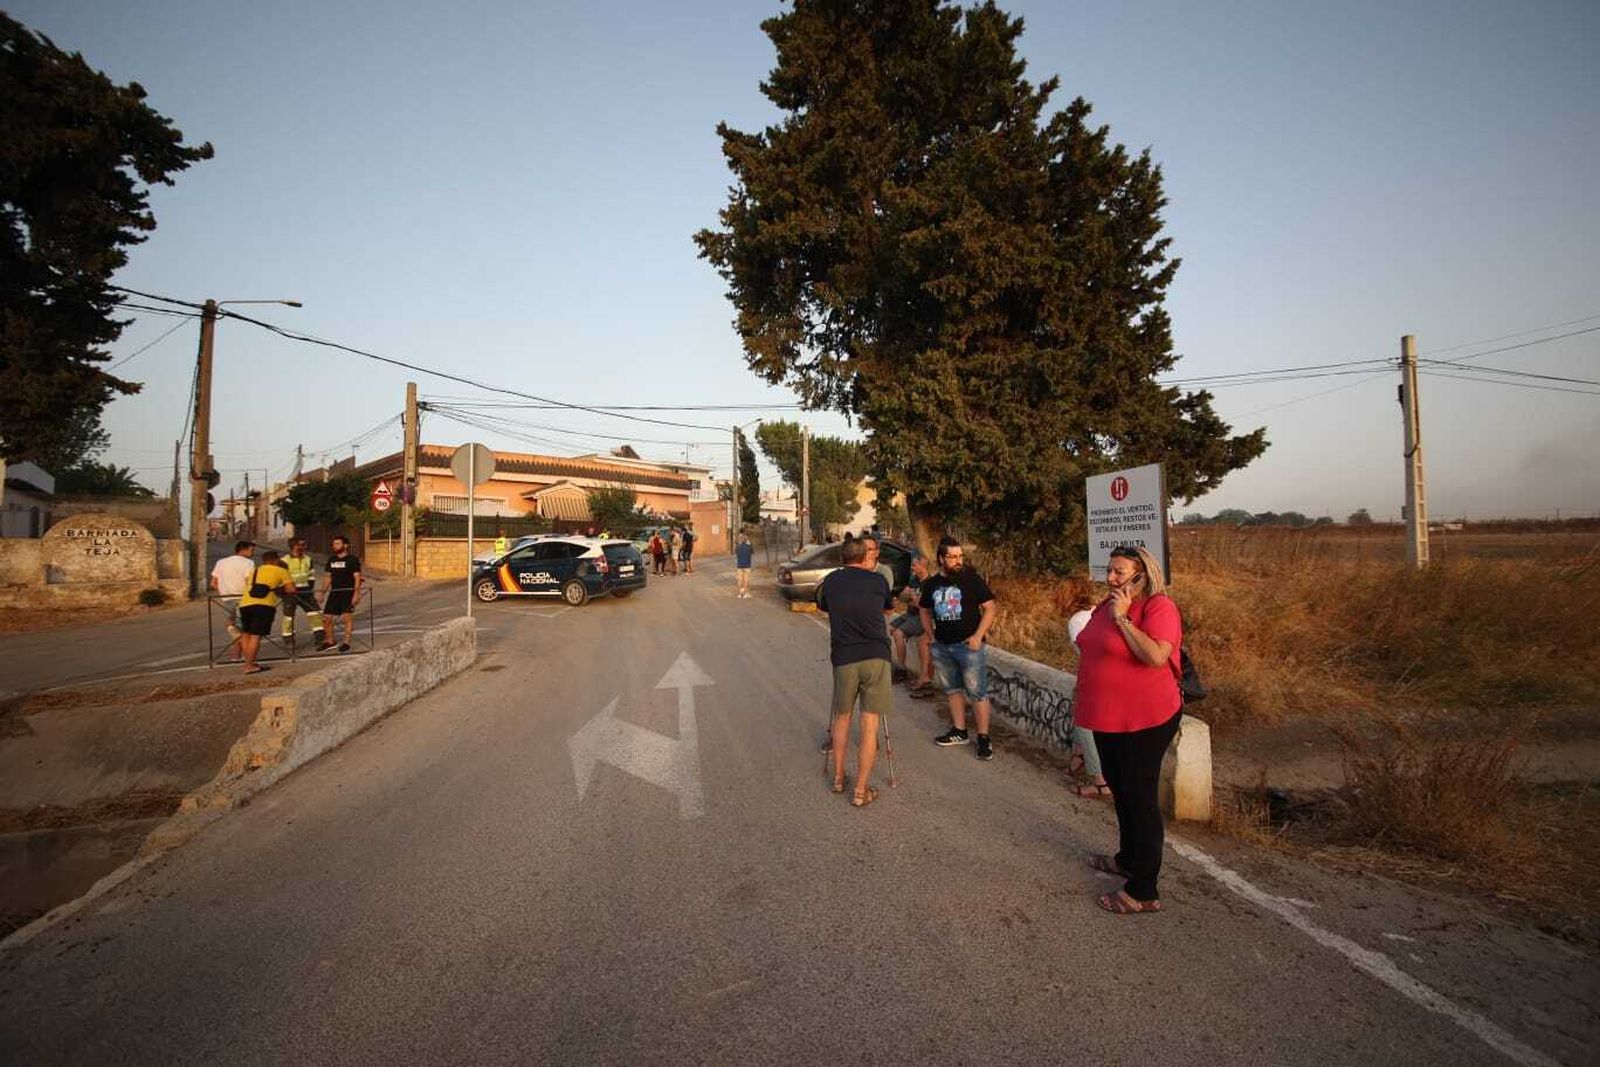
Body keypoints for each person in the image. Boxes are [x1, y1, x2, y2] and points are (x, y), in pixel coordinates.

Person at [1074, 545, 1184, 915]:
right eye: (1110, 570)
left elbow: (1155, 656)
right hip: (1109, 717)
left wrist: (1124, 619)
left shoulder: (1157, 607)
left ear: (1142, 575)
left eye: (1120, 572)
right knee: (1120, 791)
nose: (1111, 578)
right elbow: (1088, 644)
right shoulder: (1107, 604)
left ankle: (1143, 889)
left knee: (1140, 799)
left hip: (1146, 718)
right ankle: (1127, 859)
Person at [816, 537, 895, 807]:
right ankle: (861, 791)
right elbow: (888, 609)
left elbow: (822, 605)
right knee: (870, 723)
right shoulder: (879, 581)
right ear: (864, 557)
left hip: (844, 656)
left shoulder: (831, 581)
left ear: (843, 557)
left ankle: (838, 778)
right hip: (876, 655)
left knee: (842, 719)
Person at [920, 537, 998, 761]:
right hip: (942, 646)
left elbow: (990, 608)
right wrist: (931, 635)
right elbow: (924, 610)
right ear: (941, 558)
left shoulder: (971, 579)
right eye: (953, 557)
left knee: (977, 693)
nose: (958, 561)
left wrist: (978, 636)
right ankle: (959, 731)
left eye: (960, 556)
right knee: (953, 690)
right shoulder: (932, 584)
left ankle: (983, 738)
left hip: (968, 646)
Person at [1061, 577, 1111, 798]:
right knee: (1078, 712)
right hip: (1111, 676)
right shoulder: (1095, 611)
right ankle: (1078, 756)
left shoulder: (1075, 621)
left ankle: (1100, 781)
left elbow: (1087, 652)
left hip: (1095, 678)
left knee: (1084, 722)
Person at [235, 549, 296, 675]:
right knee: (256, 635)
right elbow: (291, 589)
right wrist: (279, 589)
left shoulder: (255, 571)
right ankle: (249, 666)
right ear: (276, 560)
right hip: (264, 605)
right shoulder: (281, 570)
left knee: (246, 634)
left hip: (245, 604)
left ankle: (249, 662)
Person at [890, 555, 934, 694]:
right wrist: (911, 598)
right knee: (889, 629)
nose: (912, 568)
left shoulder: (929, 583)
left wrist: (912, 599)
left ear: (923, 567)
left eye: (915, 565)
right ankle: (894, 665)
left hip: (920, 617)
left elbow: (922, 606)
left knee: (898, 634)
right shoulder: (914, 580)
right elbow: (902, 597)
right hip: (909, 614)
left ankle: (902, 669)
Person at [208, 540, 256, 659]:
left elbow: (213, 583)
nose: (253, 552)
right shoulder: (249, 563)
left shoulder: (221, 562)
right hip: (243, 597)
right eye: (252, 550)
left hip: (225, 598)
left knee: (232, 625)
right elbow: (249, 581)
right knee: (245, 627)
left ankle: (236, 655)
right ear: (244, 550)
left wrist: (225, 590)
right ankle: (247, 656)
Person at [317, 535, 363, 653]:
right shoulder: (331, 560)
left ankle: (346, 642)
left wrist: (356, 594)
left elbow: (357, 577)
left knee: (347, 617)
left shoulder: (352, 560)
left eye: (337, 544)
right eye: (334, 544)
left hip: (348, 592)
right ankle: (330, 641)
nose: (335, 546)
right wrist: (322, 592)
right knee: (326, 618)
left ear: (345, 545)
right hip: (334, 592)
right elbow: (328, 577)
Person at [279, 538, 323, 646]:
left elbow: (311, 575)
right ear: (294, 546)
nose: (304, 547)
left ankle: (319, 636)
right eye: (302, 545)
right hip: (290, 592)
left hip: (305, 591)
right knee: (288, 616)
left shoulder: (308, 559)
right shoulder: (284, 561)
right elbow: (280, 577)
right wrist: (284, 591)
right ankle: (288, 638)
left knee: (315, 612)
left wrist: (310, 587)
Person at [734, 532, 754, 598]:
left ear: (740, 539)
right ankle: (745, 593)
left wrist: (739, 544)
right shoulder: (749, 546)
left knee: (740, 580)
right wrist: (749, 543)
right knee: (746, 580)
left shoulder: (738, 546)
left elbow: (736, 553)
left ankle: (740, 594)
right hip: (747, 566)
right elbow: (752, 552)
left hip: (739, 566)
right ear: (746, 539)